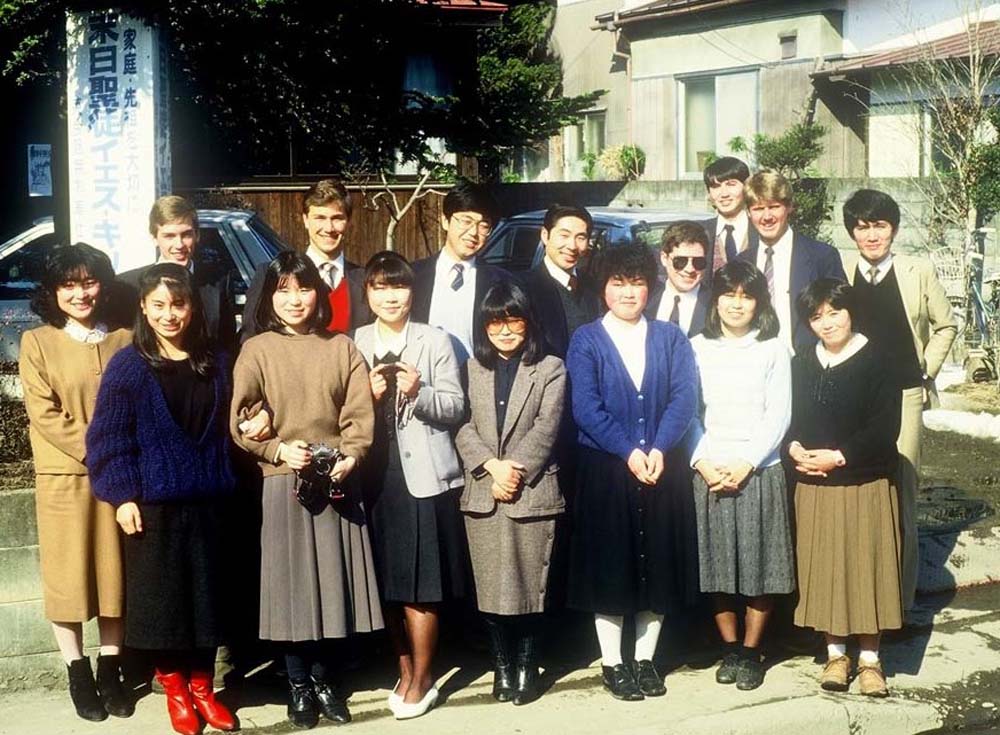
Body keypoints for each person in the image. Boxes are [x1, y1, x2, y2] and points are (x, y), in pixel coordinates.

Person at [231, 251, 382, 729]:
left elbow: (359, 415)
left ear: (319, 293)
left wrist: (353, 454)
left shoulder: (342, 348)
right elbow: (240, 419)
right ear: (269, 297)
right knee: (292, 590)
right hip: (283, 483)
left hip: (337, 478)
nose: (295, 300)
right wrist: (276, 450)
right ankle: (297, 684)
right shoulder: (256, 349)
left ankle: (325, 680)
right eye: (283, 290)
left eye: (303, 289)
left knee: (332, 588)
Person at [86, 263, 237, 735]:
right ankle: (174, 690)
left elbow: (237, 420)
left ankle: (203, 690)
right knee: (164, 607)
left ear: (192, 307)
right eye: (159, 306)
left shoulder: (215, 361)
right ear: (144, 309)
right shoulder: (129, 366)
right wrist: (123, 495)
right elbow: (108, 440)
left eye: (179, 304)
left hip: (209, 501)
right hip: (152, 506)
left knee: (207, 605)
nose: (170, 315)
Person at [566, 244, 698, 701]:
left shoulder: (670, 337)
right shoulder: (586, 339)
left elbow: (684, 398)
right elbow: (585, 406)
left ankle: (645, 659)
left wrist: (660, 447)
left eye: (637, 282)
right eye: (618, 283)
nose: (628, 291)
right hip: (607, 469)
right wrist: (628, 450)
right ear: (604, 288)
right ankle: (613, 662)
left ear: (649, 286)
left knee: (657, 563)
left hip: (662, 467)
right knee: (612, 565)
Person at [18, 244, 133, 722]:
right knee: (67, 578)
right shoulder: (37, 342)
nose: (80, 293)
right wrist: (98, 448)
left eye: (88, 282)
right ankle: (77, 670)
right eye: (69, 284)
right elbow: (44, 413)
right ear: (53, 291)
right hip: (65, 476)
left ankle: (111, 669)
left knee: (114, 575)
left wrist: (122, 456)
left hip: (120, 478)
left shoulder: (126, 338)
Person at [352, 251, 468, 720]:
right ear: (368, 294)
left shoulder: (435, 340)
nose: (390, 296)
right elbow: (342, 407)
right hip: (373, 476)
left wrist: (418, 393)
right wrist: (370, 394)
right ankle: (401, 667)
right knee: (385, 583)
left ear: (411, 292)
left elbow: (456, 407)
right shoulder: (355, 341)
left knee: (421, 582)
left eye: (398, 287)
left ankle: (422, 677)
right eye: (380, 287)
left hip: (420, 476)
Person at [840, 189, 958, 612]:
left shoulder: (917, 270)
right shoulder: (843, 271)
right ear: (852, 231)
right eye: (862, 227)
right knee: (854, 491)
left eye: (879, 226)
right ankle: (855, 596)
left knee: (901, 491)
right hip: (855, 400)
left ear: (893, 229)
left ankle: (899, 604)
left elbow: (947, 325)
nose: (871, 235)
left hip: (905, 395)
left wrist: (926, 370)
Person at [787, 279, 903, 697]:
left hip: (863, 480)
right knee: (826, 570)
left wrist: (839, 456)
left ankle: (871, 659)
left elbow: (885, 427)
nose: (827, 323)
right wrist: (795, 447)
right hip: (815, 485)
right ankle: (836, 654)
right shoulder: (803, 361)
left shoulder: (878, 359)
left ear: (850, 311)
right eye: (817, 316)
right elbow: (792, 417)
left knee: (866, 569)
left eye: (834, 312)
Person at [456, 281, 567, 706]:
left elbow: (547, 426)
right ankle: (501, 669)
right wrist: (490, 466)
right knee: (490, 588)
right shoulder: (471, 369)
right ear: (484, 326)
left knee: (529, 586)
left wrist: (514, 470)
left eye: (513, 320)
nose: (504, 330)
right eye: (495, 321)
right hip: (484, 491)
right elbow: (461, 424)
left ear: (528, 322)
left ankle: (526, 665)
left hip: (531, 490)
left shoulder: (551, 368)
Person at [688, 260, 794, 691]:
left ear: (758, 302)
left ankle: (752, 651)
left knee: (757, 566)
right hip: (710, 470)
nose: (736, 304)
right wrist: (703, 461)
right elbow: (689, 412)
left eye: (746, 296)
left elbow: (779, 413)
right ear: (716, 300)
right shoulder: (696, 346)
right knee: (717, 568)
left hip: (758, 470)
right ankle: (729, 647)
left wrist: (748, 461)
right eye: (728, 294)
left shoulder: (772, 347)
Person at [241, 179, 371, 341]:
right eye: (320, 218)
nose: (329, 228)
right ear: (305, 220)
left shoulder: (365, 280)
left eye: (337, 218)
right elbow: (250, 338)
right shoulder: (269, 275)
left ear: (348, 221)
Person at [740, 170, 846, 353]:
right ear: (748, 213)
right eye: (758, 209)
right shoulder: (742, 263)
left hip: (808, 364)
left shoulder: (821, 256)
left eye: (774, 207)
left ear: (789, 207)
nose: (766, 217)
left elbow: (843, 317)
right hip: (755, 364)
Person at [117, 195, 236, 354]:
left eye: (186, 234)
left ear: (197, 235)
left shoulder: (218, 281)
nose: (179, 245)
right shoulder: (129, 286)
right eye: (169, 236)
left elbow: (227, 342)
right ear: (154, 238)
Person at [411, 180, 506, 362]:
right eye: (466, 221)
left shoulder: (501, 282)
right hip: (422, 382)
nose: (473, 232)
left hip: (480, 384)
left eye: (484, 225)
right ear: (445, 221)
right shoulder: (413, 276)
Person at [522, 203, 601, 359]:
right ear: (545, 235)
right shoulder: (524, 287)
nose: (572, 246)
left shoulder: (594, 286)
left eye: (580, 237)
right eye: (564, 235)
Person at [646, 220, 713, 337]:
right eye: (681, 261)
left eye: (698, 262)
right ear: (664, 258)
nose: (690, 269)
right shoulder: (645, 299)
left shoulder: (715, 306)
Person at [702, 156, 754, 271]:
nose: (724, 193)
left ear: (746, 187)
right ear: (709, 193)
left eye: (731, 184)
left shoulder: (762, 230)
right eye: (716, 186)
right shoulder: (700, 233)